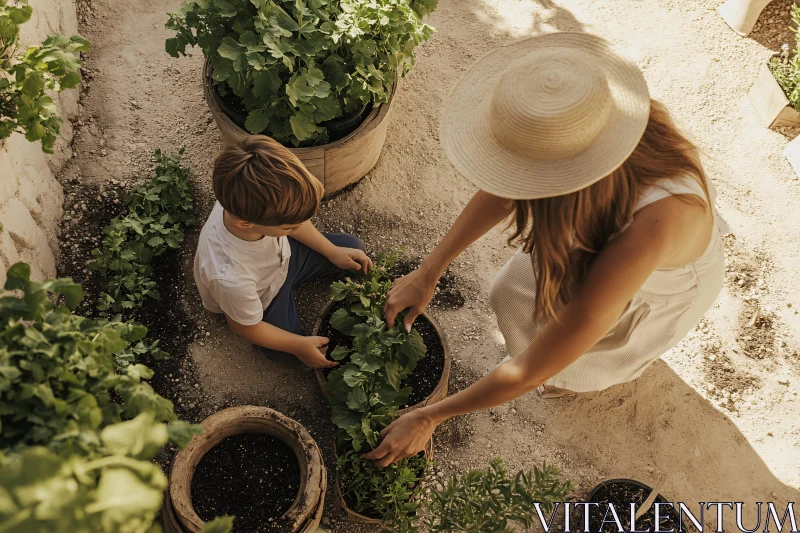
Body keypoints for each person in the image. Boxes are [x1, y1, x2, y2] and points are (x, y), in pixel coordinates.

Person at [363, 32, 727, 467]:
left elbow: (529, 370)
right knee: (511, 295)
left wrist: (430, 416)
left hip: (655, 285)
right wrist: (430, 270)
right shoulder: (589, 128)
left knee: (580, 358)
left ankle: (569, 379)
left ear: (569, 185)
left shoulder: (651, 226)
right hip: (596, 238)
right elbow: (505, 189)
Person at [193, 135, 372, 369]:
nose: (296, 227)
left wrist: (331, 251)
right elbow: (244, 327)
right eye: (289, 227)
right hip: (263, 294)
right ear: (245, 223)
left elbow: (296, 224)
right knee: (293, 355)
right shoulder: (229, 276)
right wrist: (298, 345)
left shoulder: (249, 202)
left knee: (353, 250)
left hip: (283, 258)